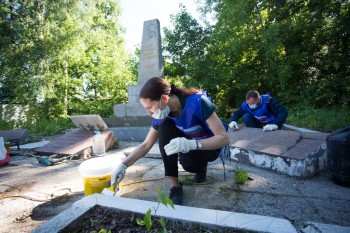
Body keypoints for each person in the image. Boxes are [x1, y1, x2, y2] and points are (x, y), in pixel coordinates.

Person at [111, 77, 229, 205]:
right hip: (188, 145)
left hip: (209, 148)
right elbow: (146, 144)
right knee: (165, 126)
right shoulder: (162, 115)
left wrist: (192, 144)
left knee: (190, 164)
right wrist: (124, 165)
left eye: (149, 107)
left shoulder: (199, 102)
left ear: (164, 99)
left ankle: (201, 168)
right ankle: (175, 186)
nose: (149, 113)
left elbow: (223, 138)